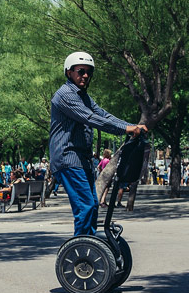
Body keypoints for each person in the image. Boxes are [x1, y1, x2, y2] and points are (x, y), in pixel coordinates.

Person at [48, 52, 146, 237]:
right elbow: (91, 118)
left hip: (82, 159)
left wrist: (130, 126)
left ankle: (89, 244)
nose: (85, 76)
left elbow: (103, 114)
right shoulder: (65, 95)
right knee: (85, 207)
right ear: (69, 72)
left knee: (92, 205)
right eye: (81, 71)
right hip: (68, 158)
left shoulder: (83, 96)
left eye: (89, 72)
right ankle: (82, 249)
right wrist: (126, 129)